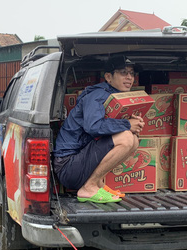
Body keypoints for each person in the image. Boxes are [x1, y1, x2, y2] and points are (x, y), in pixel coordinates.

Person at [53, 56, 145, 204]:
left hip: (80, 163)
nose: (129, 77)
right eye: (123, 72)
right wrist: (127, 124)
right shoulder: (97, 95)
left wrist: (134, 124)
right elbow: (93, 126)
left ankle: (98, 184)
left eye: (132, 73)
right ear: (108, 77)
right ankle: (88, 187)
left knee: (133, 140)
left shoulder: (113, 95)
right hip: (68, 166)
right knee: (126, 137)